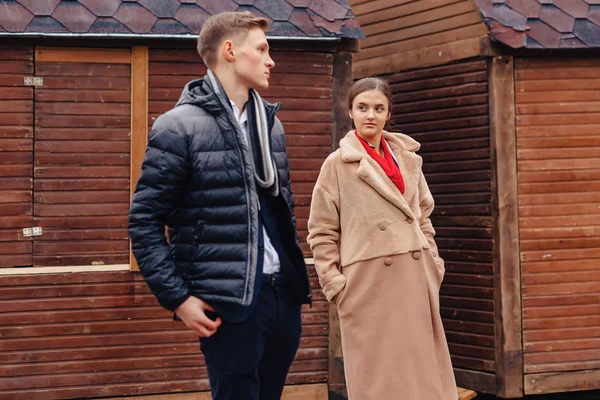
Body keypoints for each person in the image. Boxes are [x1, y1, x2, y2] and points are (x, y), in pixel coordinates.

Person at [129, 11, 312, 400]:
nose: (270, 60)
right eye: (261, 49)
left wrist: (294, 290)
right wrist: (178, 299)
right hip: (229, 305)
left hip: (282, 299)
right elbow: (144, 222)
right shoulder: (177, 127)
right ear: (229, 51)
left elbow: (283, 213)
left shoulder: (271, 125)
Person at [307, 77, 457, 400]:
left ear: (389, 114)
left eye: (378, 108)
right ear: (350, 112)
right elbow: (321, 232)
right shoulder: (336, 165)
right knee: (378, 382)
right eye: (362, 108)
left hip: (415, 279)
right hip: (367, 287)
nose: (370, 115)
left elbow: (424, 215)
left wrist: (434, 264)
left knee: (421, 381)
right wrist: (336, 286)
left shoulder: (408, 158)